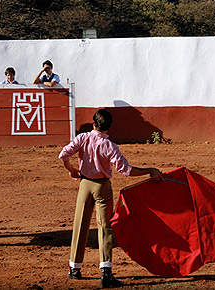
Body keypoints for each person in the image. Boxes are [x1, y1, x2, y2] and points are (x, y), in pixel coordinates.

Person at [58, 108, 164, 288]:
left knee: (80, 225)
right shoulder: (110, 146)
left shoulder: (83, 138)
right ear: (109, 127)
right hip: (102, 187)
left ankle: (74, 268)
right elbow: (127, 171)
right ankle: (106, 272)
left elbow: (64, 155)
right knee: (105, 227)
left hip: (85, 184)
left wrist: (71, 170)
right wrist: (149, 171)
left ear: (94, 124)